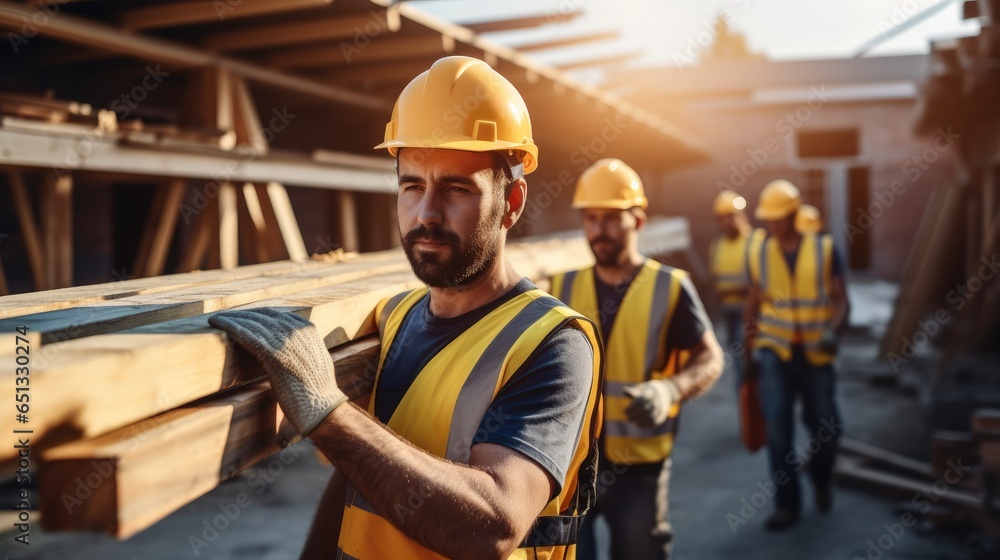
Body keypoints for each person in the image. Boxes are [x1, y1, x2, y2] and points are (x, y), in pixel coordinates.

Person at [208, 56, 604, 560]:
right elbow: (363, 473)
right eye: (412, 185)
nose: (427, 214)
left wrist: (328, 414)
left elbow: (494, 527)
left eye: (456, 189)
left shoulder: (552, 343)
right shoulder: (395, 317)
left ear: (513, 202)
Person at [552, 158, 724, 559]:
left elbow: (710, 358)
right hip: (572, 466)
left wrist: (670, 389)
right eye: (590, 218)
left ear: (639, 221)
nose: (598, 229)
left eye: (611, 218)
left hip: (640, 468)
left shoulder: (671, 286)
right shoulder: (561, 287)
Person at [744, 180, 850, 531]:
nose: (772, 225)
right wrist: (747, 354)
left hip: (817, 352)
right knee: (779, 430)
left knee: (827, 429)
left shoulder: (824, 249)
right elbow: (754, 301)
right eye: (768, 219)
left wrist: (833, 331)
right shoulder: (759, 251)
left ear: (793, 215)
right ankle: (786, 506)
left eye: (778, 218)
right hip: (775, 351)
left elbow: (841, 299)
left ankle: (821, 480)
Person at [708, 189, 752, 387]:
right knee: (738, 363)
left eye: (730, 217)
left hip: (750, 312)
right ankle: (745, 401)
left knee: (749, 362)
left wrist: (733, 290)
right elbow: (715, 279)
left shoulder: (754, 241)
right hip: (728, 312)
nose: (726, 222)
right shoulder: (717, 245)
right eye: (722, 218)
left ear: (740, 216)